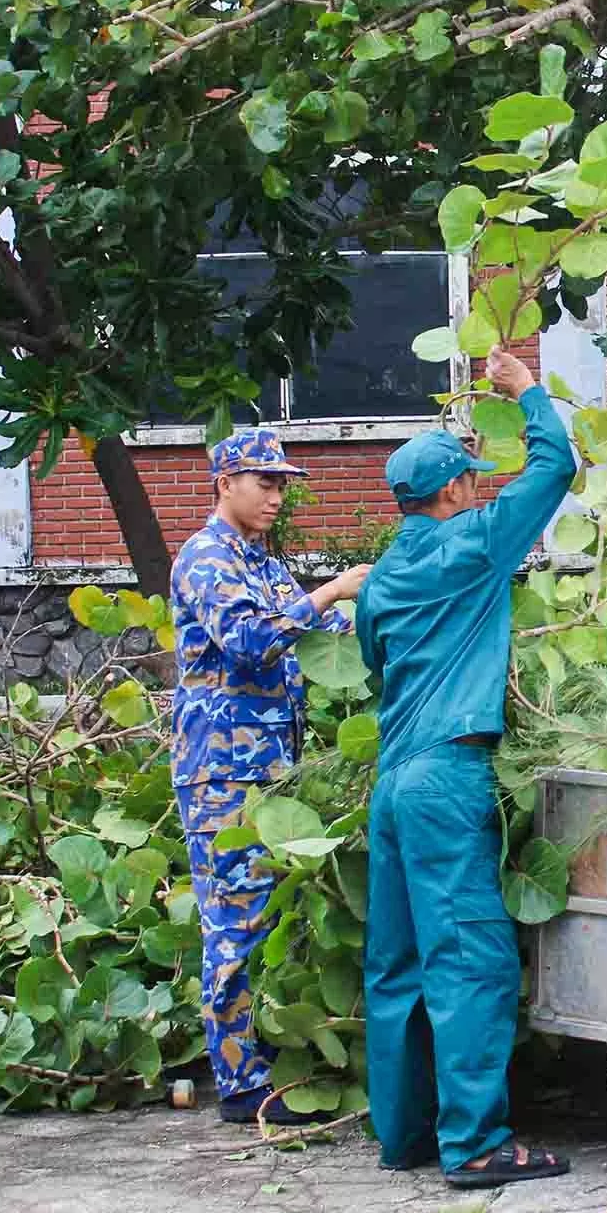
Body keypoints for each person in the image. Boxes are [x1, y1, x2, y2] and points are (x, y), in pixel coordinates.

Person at [355, 347, 578, 1189]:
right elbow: (554, 468)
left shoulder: (378, 583)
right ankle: (476, 1144)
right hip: (447, 775)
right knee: (469, 959)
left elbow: (380, 670)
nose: (482, 489)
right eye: (473, 481)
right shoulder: (477, 543)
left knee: (398, 963)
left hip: (394, 777)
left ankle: (404, 1134)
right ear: (451, 492)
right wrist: (528, 393)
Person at [170, 429, 371, 1126]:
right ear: (225, 482)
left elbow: (324, 642)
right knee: (232, 923)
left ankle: (261, 1067)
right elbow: (251, 640)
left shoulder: (260, 562)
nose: (275, 496)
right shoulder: (205, 559)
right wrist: (330, 591)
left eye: (282, 484)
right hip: (219, 775)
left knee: (264, 918)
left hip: (271, 772)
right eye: (264, 481)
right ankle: (238, 1086)